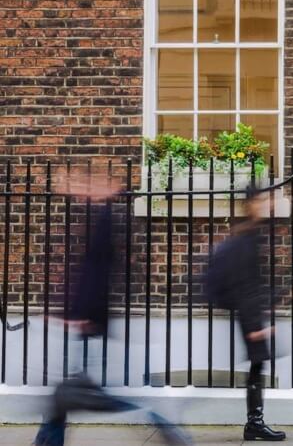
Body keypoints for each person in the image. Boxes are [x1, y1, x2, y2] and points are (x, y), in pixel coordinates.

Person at [35, 170, 192, 446]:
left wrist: (80, 316)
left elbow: (96, 276)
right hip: (88, 321)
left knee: (85, 395)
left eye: (92, 185)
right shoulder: (99, 219)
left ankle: (157, 419)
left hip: (90, 324)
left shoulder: (105, 222)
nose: (85, 189)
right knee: (65, 392)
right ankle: (47, 440)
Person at [206, 188, 286, 442]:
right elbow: (244, 284)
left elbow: (253, 282)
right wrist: (254, 325)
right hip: (249, 314)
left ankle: (255, 423)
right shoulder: (246, 239)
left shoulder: (250, 234)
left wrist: (269, 303)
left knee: (258, 364)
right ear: (251, 204)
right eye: (263, 200)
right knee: (257, 364)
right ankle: (254, 423)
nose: (268, 205)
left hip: (251, 311)